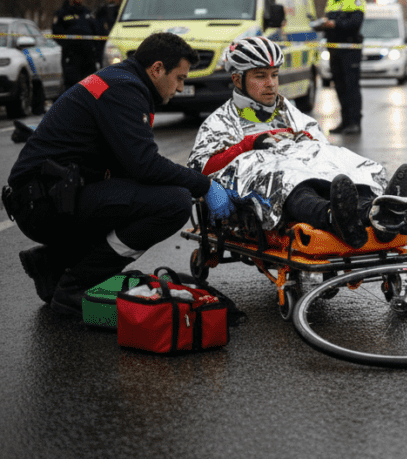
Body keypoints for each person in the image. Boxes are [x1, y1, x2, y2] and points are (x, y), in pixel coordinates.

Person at [3, 32, 236, 315]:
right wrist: (204, 185)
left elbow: (132, 168)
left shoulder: (123, 81)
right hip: (42, 204)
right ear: (157, 69)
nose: (179, 87)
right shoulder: (123, 90)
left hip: (47, 197)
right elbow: (145, 164)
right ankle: (76, 284)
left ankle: (52, 263)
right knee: (173, 203)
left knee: (143, 195)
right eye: (180, 78)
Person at [188, 37, 407, 248]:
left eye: (274, 75)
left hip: (304, 170)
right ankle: (331, 217)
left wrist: (302, 140)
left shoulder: (287, 110)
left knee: (342, 162)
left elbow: (319, 145)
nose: (270, 83)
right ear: (238, 80)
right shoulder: (220, 120)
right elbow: (199, 169)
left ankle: (380, 212)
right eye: (260, 76)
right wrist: (248, 145)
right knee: (288, 180)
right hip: (271, 179)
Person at [321, 0, 364, 134]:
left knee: (351, 86)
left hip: (349, 49)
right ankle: (345, 122)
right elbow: (329, 20)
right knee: (339, 86)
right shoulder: (331, 1)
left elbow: (355, 24)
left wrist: (335, 24)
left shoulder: (356, 0)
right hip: (334, 48)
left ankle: (355, 122)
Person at [52, 0, 102, 89]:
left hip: (89, 57)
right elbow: (57, 34)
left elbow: (96, 31)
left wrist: (95, 48)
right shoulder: (62, 14)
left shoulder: (87, 12)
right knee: (73, 87)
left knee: (93, 88)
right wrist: (69, 46)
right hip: (72, 57)